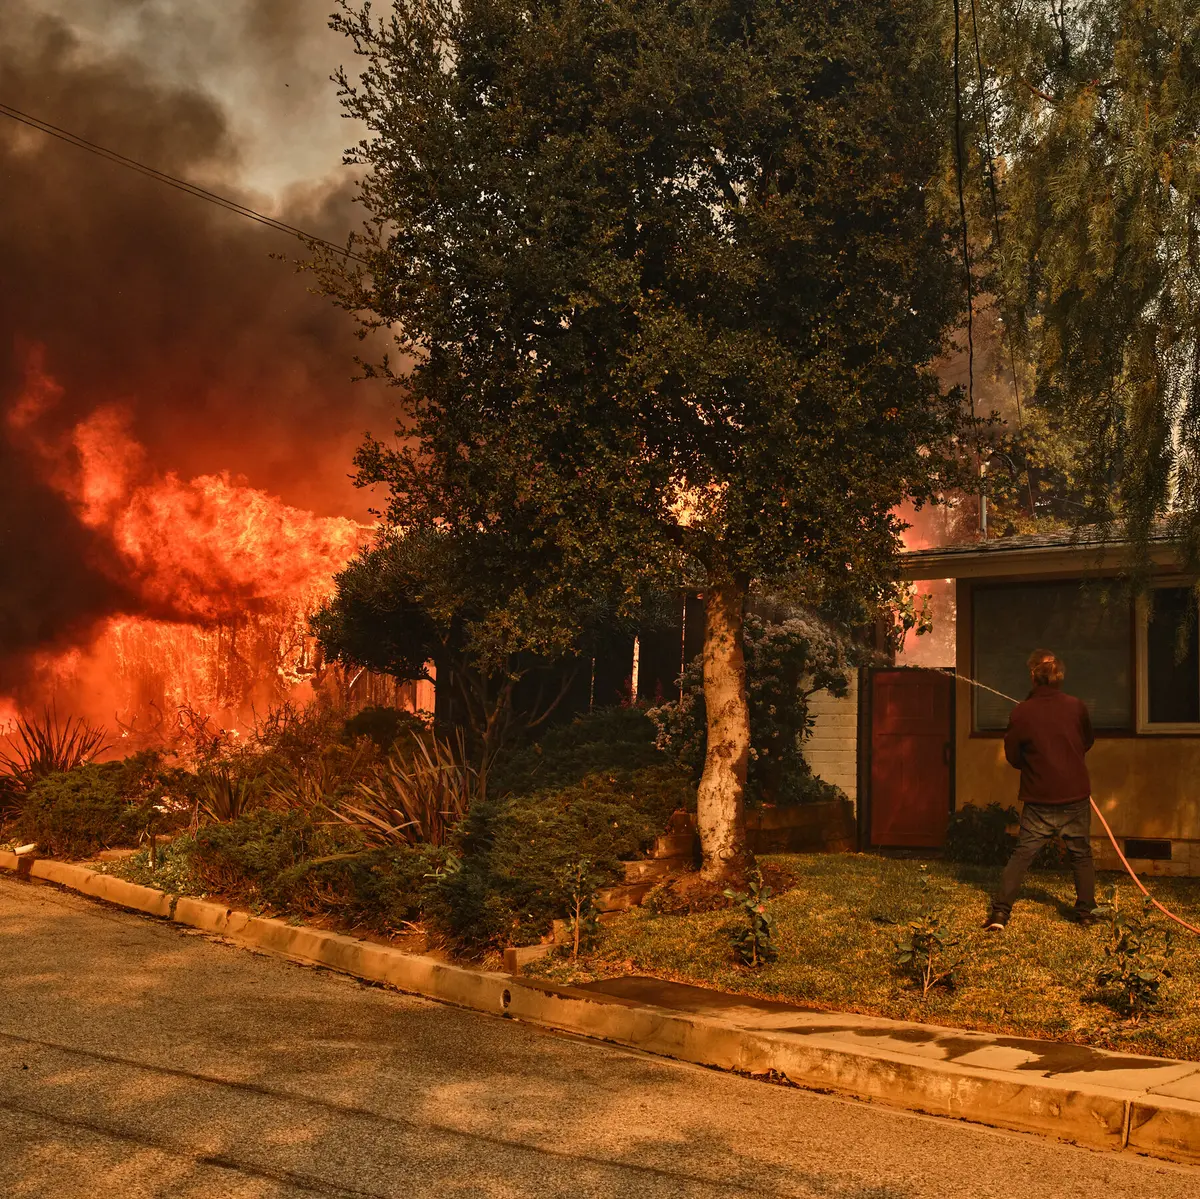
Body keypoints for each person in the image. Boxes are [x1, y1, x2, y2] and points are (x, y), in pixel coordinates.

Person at [983, 649, 1096, 931]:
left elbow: (1013, 756)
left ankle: (1000, 915)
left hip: (1039, 798)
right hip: (1075, 796)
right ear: (1059, 676)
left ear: (1033, 676)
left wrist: (1036, 765)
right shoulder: (1077, 706)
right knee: (1081, 855)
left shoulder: (1021, 712)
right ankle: (1085, 914)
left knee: (1022, 855)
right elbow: (1087, 742)